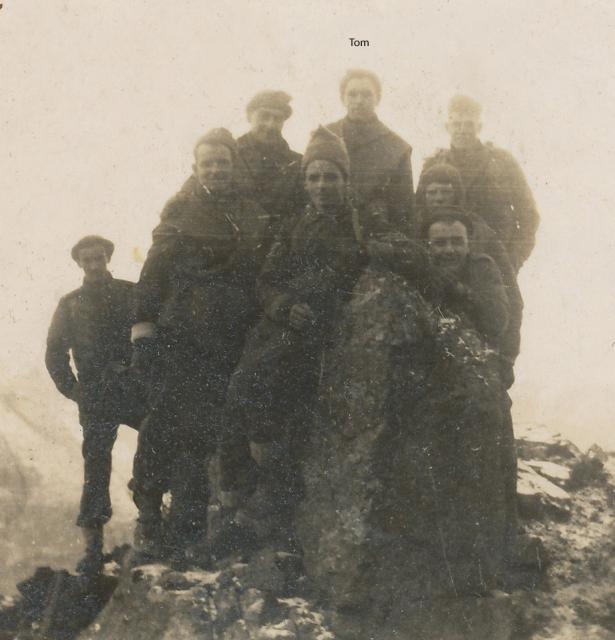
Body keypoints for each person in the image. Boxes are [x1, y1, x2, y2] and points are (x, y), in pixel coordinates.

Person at [220, 126, 368, 550]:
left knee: (289, 414)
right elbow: (266, 281)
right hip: (281, 327)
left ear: (346, 180)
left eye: (331, 177)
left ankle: (272, 517)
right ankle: (240, 499)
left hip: (319, 337)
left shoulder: (359, 225)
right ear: (304, 182)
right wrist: (283, 306)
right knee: (243, 390)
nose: (323, 186)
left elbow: (348, 276)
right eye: (314, 177)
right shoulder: (293, 226)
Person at [129, 128, 271, 567]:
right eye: (207, 163)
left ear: (234, 166)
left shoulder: (253, 214)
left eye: (222, 162)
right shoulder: (179, 212)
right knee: (165, 422)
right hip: (183, 334)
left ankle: (192, 531)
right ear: (196, 168)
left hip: (231, 336)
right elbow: (153, 273)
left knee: (211, 432)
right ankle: (150, 515)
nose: (215, 169)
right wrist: (143, 328)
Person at [45, 235, 134, 575]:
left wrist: (142, 374)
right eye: (87, 261)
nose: (94, 266)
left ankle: (156, 520)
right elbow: (55, 353)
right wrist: (75, 391)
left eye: (99, 259)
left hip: (133, 389)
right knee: (96, 465)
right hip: (96, 396)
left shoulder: (130, 293)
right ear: (79, 264)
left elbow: (152, 334)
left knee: (161, 441)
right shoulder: (70, 305)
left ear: (108, 258)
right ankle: (93, 548)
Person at [416, 162, 523, 375]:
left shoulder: (481, 232)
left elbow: (511, 297)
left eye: (446, 192)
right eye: (432, 192)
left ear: (457, 194)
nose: (438, 198)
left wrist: (507, 358)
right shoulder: (412, 228)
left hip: (477, 339)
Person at [421, 94, 539, 272]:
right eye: (456, 124)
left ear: (479, 127)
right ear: (447, 127)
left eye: (469, 124)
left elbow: (529, 216)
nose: (462, 130)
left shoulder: (502, 162)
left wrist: (514, 260)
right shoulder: (434, 164)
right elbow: (420, 213)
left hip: (496, 262)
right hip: (447, 263)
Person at [326, 69, 415, 233]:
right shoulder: (326, 136)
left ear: (378, 99)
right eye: (352, 94)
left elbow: (403, 209)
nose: (359, 101)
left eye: (367, 95)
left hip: (376, 235)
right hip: (330, 230)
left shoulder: (397, 147)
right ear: (342, 98)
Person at [236, 90, 304, 233]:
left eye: (277, 119)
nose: (270, 125)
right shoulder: (228, 156)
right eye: (264, 116)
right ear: (249, 116)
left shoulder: (297, 163)